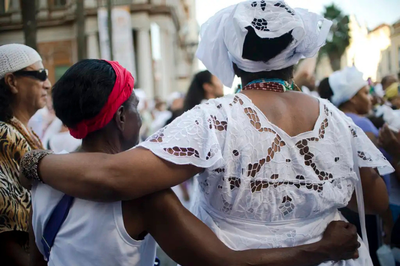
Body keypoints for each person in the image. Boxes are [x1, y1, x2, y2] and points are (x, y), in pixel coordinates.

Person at [20, 1, 393, 265]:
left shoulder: (213, 119)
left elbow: (117, 177)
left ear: (232, 57)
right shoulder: (335, 118)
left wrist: (35, 161)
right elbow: (374, 201)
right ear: (295, 54)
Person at [27, 59, 360, 266]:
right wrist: (323, 249)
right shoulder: (144, 196)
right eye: (135, 108)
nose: (141, 119)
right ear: (119, 117)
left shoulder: (45, 181)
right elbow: (224, 262)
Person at [318, 67, 393, 265]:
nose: (370, 98)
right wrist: (388, 220)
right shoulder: (363, 125)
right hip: (365, 206)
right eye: (365, 93)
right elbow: (371, 177)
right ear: (352, 98)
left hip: (341, 211)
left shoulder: (330, 121)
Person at [0, 43, 51, 265]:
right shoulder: (3, 133)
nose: (48, 84)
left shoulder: (22, 130)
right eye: (40, 75)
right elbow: (6, 228)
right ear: (11, 81)